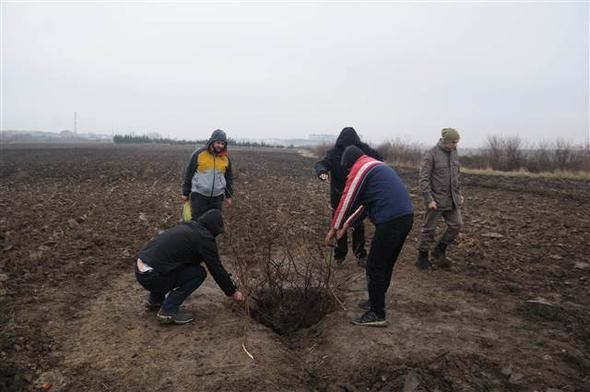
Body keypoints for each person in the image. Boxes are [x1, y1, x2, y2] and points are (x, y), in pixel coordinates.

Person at [325, 146, 414, 327]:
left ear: (350, 164)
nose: (348, 173)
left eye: (347, 169)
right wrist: (346, 225)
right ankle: (376, 300)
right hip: (405, 217)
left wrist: (334, 228)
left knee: (374, 266)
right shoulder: (376, 166)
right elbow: (364, 206)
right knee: (385, 264)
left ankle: (377, 313)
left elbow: (347, 199)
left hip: (391, 220)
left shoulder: (361, 168)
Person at [135, 209, 244, 324]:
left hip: (140, 270)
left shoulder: (188, 227)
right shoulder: (204, 239)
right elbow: (216, 268)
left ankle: (155, 300)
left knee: (170, 263)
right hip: (152, 277)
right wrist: (233, 292)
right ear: (214, 228)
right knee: (198, 273)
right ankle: (168, 310)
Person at [314, 127, 383, 267]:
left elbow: (379, 159)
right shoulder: (333, 153)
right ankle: (340, 255)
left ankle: (360, 254)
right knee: (339, 223)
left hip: (358, 194)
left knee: (357, 224)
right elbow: (321, 163)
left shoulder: (363, 150)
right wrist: (322, 172)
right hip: (339, 195)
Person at [416, 128, 464, 270]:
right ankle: (422, 257)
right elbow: (423, 179)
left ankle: (439, 251)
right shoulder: (431, 155)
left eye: (457, 142)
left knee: (457, 225)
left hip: (452, 199)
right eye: (453, 142)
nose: (455, 145)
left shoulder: (454, 153)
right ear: (445, 141)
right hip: (436, 200)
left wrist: (459, 193)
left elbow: (456, 175)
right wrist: (429, 199)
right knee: (429, 229)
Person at [182, 129, 234, 220]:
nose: (220, 146)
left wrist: (229, 196)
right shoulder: (199, 154)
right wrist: (185, 192)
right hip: (199, 195)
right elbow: (189, 173)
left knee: (213, 222)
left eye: (223, 144)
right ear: (212, 141)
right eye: (218, 143)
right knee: (197, 221)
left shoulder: (225, 159)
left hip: (217, 197)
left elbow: (228, 178)